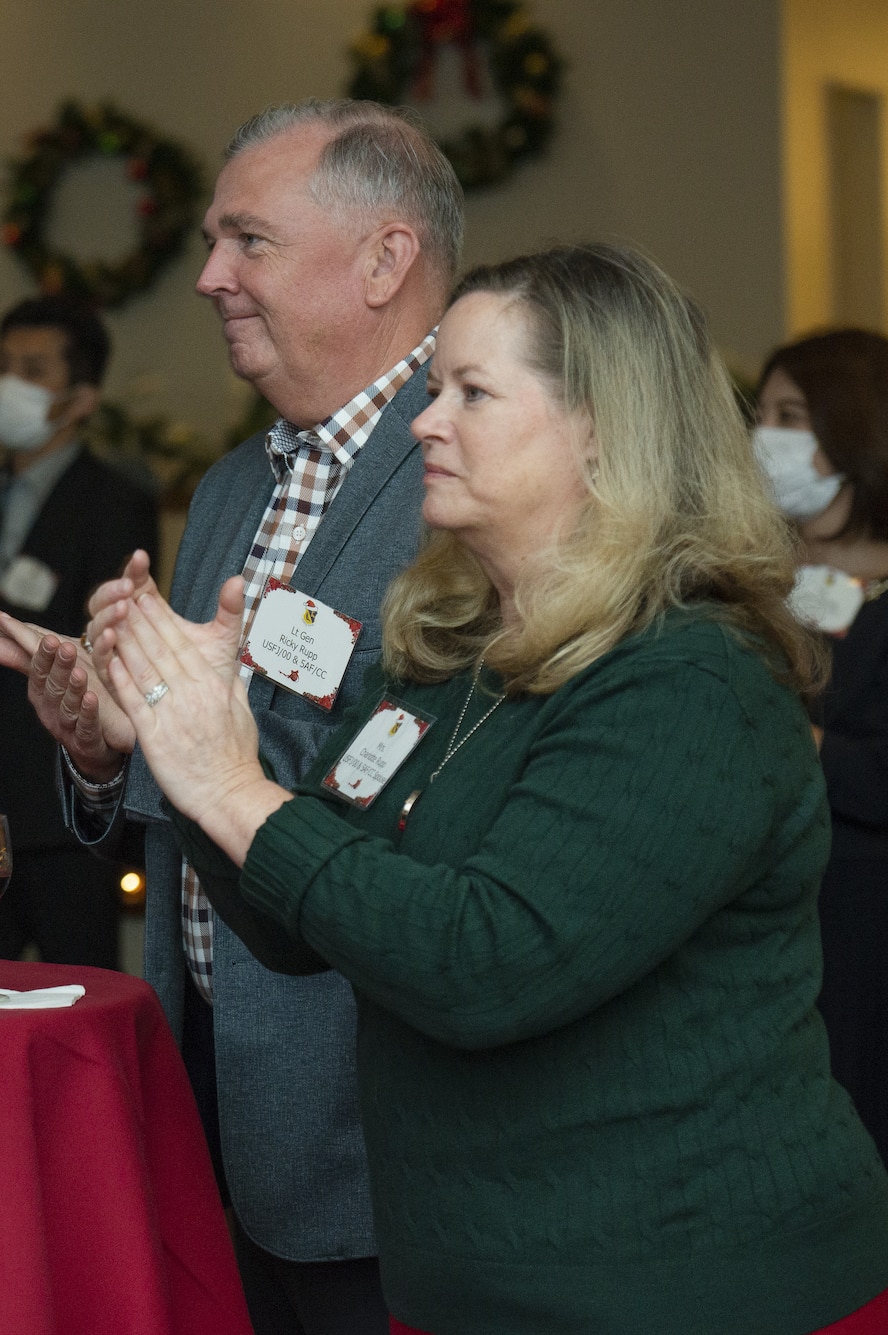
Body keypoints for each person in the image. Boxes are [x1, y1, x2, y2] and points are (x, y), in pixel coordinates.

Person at [75, 243, 888, 1331]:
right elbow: (299, 926)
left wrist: (227, 783)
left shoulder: (689, 676)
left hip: (683, 1291)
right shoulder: (453, 650)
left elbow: (482, 965)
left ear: (602, 427)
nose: (422, 423)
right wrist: (181, 747)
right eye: (428, 391)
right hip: (469, 1283)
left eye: (470, 392)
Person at [0, 100, 458, 1334]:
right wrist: (99, 744)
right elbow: (184, 769)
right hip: (210, 1086)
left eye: (246, 241)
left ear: (383, 260)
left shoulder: (463, 478)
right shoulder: (238, 479)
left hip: (372, 1108)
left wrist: (190, 722)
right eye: (209, 241)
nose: (206, 278)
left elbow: (429, 791)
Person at [0, 295, 158, 968]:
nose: (7, 384)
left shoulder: (115, 503)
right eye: (1, 366)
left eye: (31, 368)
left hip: (60, 806)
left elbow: (103, 644)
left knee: (77, 998)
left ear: (81, 398)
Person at [757, 329, 888, 1165]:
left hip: (863, 955)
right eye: (761, 413)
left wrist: (794, 739)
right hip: (764, 952)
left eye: (790, 415)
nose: (764, 437)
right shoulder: (754, 590)